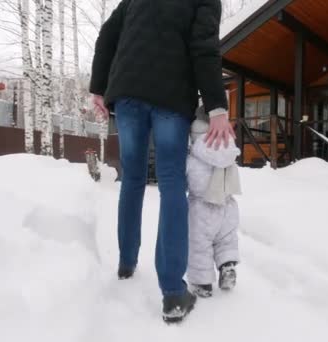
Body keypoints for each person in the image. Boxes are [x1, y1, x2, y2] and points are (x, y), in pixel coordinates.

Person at [89, 0, 235, 323]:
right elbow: (204, 48)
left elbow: (107, 35)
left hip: (127, 92)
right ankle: (172, 293)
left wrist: (98, 88)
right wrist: (217, 108)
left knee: (133, 178)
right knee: (171, 183)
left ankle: (126, 264)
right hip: (171, 94)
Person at [186, 107, 241, 298]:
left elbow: (187, 176)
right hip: (227, 205)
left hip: (202, 208)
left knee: (199, 245)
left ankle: (202, 284)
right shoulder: (227, 145)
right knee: (226, 241)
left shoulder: (194, 152)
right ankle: (227, 267)